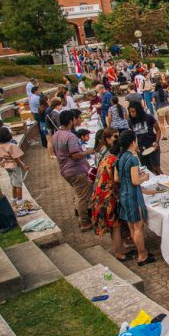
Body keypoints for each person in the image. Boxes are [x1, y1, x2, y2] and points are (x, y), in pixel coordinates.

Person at [115, 130, 157, 266]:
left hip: (124, 194)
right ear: (133, 142)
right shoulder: (132, 159)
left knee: (132, 226)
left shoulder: (120, 157)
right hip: (133, 196)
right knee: (138, 226)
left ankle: (141, 251)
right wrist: (144, 177)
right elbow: (135, 181)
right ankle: (142, 255)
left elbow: (117, 178)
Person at [89, 128, 131, 261]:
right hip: (107, 197)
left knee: (115, 226)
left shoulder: (107, 157)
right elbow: (117, 180)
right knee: (116, 226)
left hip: (100, 196)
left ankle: (120, 249)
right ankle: (119, 253)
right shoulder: (114, 160)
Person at [53, 110, 94, 231]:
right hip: (75, 171)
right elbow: (75, 155)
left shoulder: (56, 134)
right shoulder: (70, 136)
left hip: (65, 170)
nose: (76, 121)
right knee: (83, 197)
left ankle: (82, 218)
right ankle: (85, 222)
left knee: (79, 194)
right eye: (75, 119)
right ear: (70, 121)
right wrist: (88, 151)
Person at [0, 127, 30, 207]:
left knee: (13, 183)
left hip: (7, 167)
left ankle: (14, 198)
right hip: (14, 167)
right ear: (7, 136)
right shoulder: (11, 146)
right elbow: (16, 158)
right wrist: (23, 166)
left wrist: (3, 164)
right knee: (18, 184)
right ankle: (20, 201)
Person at [127, 102, 162, 175]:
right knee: (147, 170)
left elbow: (158, 130)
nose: (131, 114)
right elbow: (132, 134)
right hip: (140, 148)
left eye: (133, 111)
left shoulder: (149, 117)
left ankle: (166, 182)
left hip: (152, 146)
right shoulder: (130, 121)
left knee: (156, 168)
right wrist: (134, 145)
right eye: (130, 112)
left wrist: (157, 142)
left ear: (138, 110)